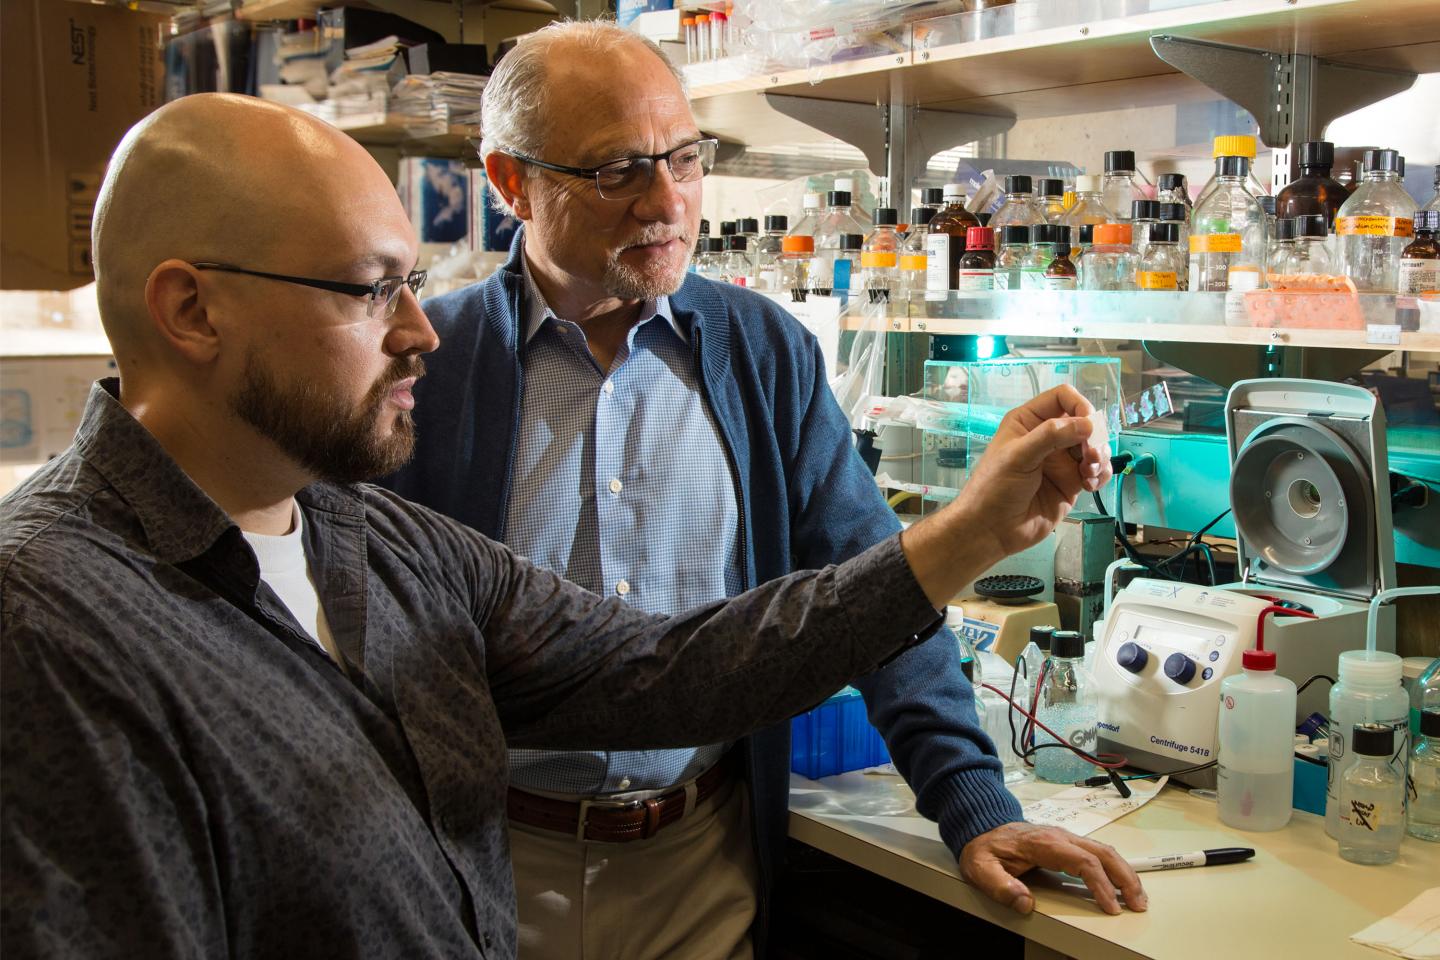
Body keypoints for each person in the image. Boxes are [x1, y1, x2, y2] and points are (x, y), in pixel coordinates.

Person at [0, 94, 1137, 960]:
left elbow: (666, 668)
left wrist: (970, 536)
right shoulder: (53, 619)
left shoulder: (369, 539)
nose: (419, 336)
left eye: (685, 159)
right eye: (367, 291)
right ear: (193, 310)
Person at [381, 20, 1139, 960]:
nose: (667, 202)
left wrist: (972, 802)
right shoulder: (430, 368)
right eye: (618, 171)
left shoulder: (762, 352)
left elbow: (876, 594)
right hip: (483, 858)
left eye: (686, 159)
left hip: (698, 865)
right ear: (510, 183)